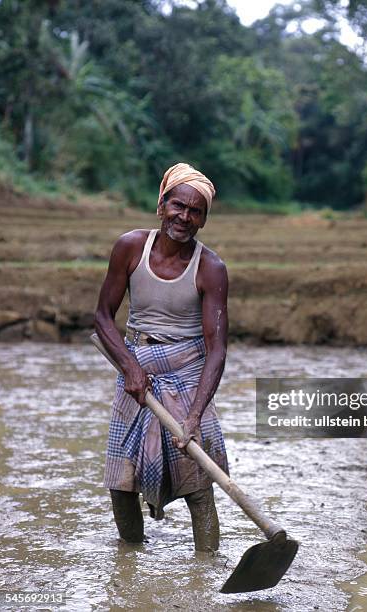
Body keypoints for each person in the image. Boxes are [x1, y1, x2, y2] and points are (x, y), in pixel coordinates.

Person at [94, 163, 229, 551]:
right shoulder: (130, 247)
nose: (184, 217)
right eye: (178, 206)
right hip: (135, 372)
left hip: (188, 377)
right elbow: (103, 316)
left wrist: (194, 415)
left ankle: (205, 568)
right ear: (161, 205)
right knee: (120, 483)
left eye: (195, 211)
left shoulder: (211, 268)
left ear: (203, 219)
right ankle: (131, 562)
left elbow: (216, 349)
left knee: (199, 486)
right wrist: (131, 367)